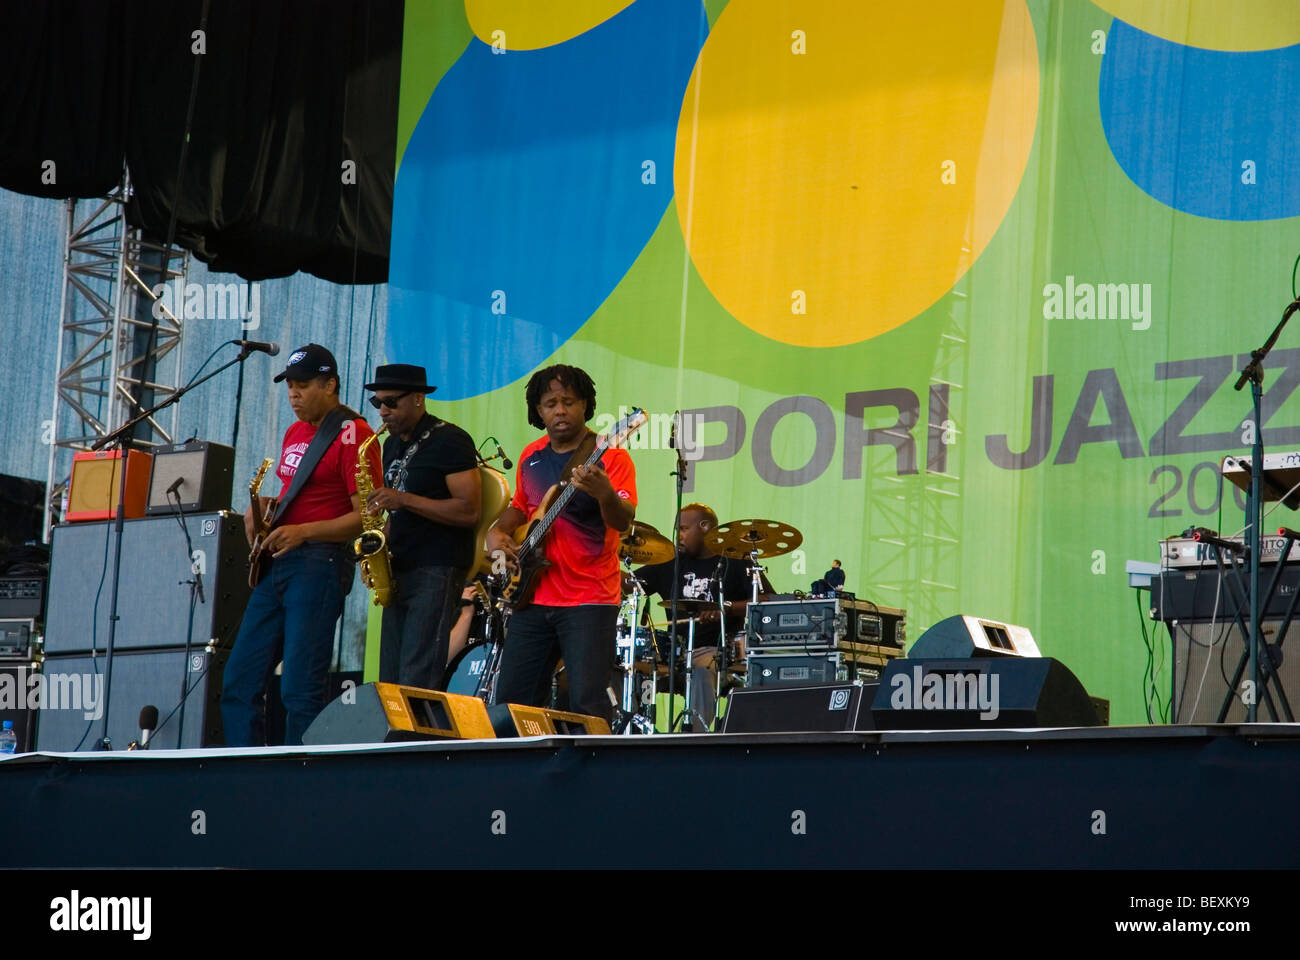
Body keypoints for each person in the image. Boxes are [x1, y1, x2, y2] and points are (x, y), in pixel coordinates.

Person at [222, 344, 381, 746]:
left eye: (303, 385)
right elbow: (300, 493)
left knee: (299, 688)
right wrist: (265, 510)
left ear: (330, 385)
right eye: (290, 385)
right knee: (239, 679)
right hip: (279, 562)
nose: (293, 394)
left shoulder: (355, 433)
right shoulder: (294, 431)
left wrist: (305, 531)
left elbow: (368, 517)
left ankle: (303, 782)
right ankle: (244, 777)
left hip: (319, 564)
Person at [485, 364, 636, 723]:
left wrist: (604, 494)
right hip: (531, 597)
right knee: (513, 706)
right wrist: (496, 533)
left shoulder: (611, 456)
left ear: (585, 404)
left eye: (568, 401)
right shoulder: (531, 456)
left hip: (589, 598)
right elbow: (522, 507)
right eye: (550, 403)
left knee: (587, 706)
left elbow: (623, 520)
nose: (560, 410)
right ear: (539, 411)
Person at [363, 364, 481, 692]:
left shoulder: (450, 440)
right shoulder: (390, 445)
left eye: (391, 402)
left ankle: (415, 741)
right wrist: (377, 547)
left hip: (436, 568)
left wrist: (404, 500)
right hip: (398, 567)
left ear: (417, 399)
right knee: (390, 677)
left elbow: (469, 510)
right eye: (377, 404)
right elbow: (396, 510)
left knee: (417, 677)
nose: (383, 410)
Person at [634, 503, 765, 728]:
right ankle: (636, 731)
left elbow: (765, 600)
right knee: (630, 667)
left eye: (684, 529)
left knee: (703, 670)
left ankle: (695, 736)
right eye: (677, 530)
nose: (679, 536)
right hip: (672, 652)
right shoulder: (668, 562)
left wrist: (727, 607)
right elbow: (630, 586)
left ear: (705, 527)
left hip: (717, 651)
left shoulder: (733, 560)